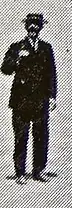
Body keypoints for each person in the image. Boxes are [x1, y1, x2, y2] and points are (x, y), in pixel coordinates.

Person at [1, 14, 57, 184]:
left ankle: (39, 170)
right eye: (31, 25)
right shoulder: (16, 47)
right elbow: (5, 69)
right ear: (26, 28)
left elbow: (51, 74)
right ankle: (19, 172)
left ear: (40, 28)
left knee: (41, 136)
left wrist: (53, 96)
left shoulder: (46, 48)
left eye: (36, 25)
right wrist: (17, 60)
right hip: (21, 100)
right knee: (21, 136)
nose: (33, 28)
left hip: (40, 100)